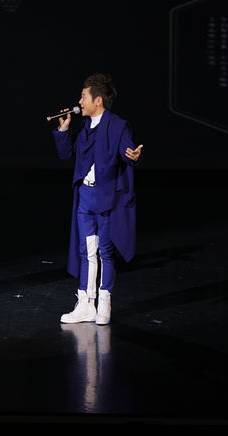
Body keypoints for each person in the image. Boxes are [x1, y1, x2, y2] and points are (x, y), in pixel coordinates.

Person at [51, 72, 143, 325]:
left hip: (106, 197)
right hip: (85, 196)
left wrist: (134, 157)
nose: (80, 102)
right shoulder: (84, 128)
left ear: (98, 100)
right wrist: (63, 130)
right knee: (86, 250)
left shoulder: (117, 125)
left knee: (105, 251)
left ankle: (104, 303)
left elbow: (128, 153)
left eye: (84, 97)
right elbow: (66, 154)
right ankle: (85, 303)